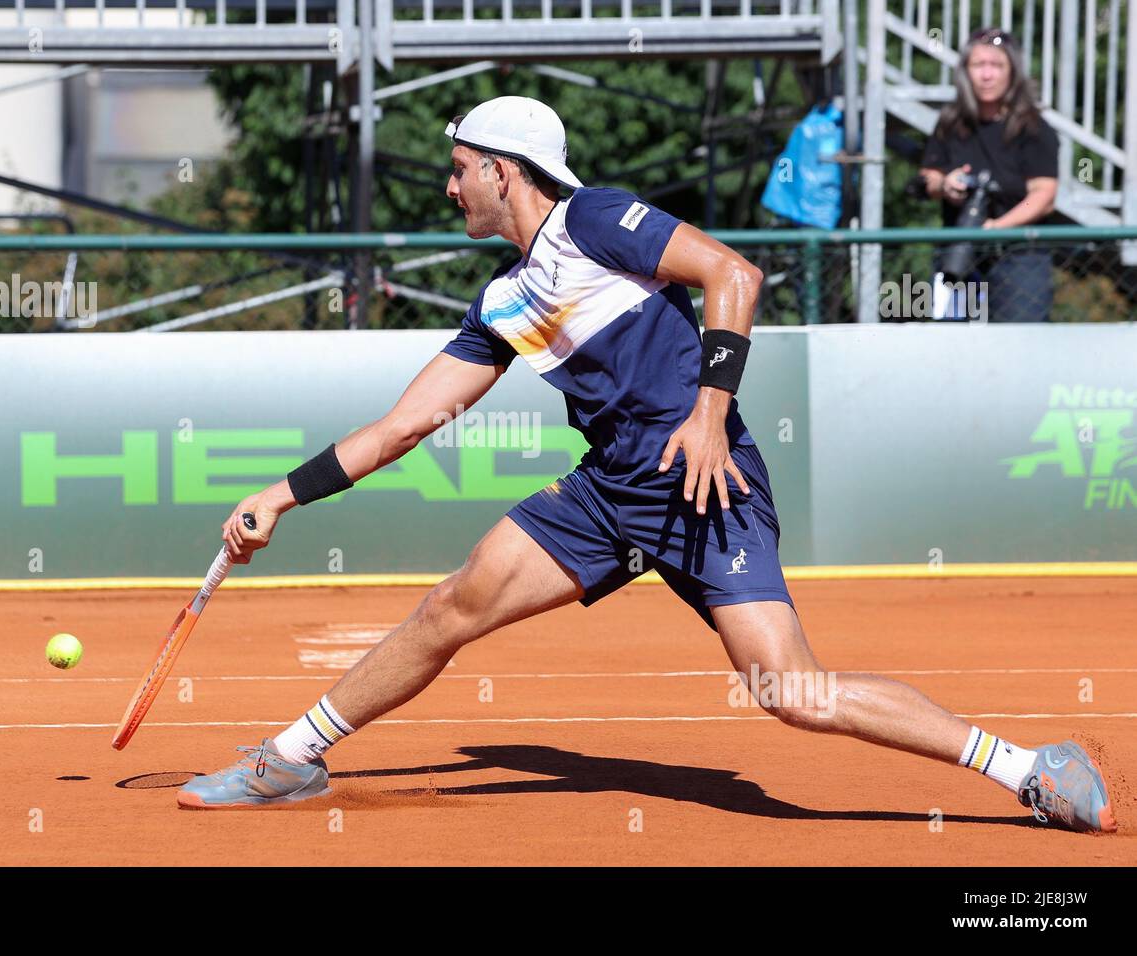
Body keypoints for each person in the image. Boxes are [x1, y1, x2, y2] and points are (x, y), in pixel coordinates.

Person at [178, 95, 1115, 834]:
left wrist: (709, 416)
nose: (450, 188)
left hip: (708, 482)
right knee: (452, 603)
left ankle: (1030, 768)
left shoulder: (593, 219)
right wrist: (280, 496)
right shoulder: (503, 301)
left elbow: (733, 276)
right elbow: (399, 428)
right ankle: (294, 756)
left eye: (461, 172)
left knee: (789, 690)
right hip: (610, 492)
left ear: (505, 172)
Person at [919, 28, 1059, 322]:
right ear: (965, 72)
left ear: (1012, 72)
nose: (987, 75)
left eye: (996, 66)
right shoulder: (950, 122)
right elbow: (927, 177)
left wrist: (996, 227)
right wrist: (945, 184)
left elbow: (1044, 196)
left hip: (1020, 256)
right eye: (978, 65)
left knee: (1017, 350)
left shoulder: (1032, 127)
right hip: (959, 254)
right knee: (952, 350)